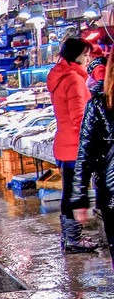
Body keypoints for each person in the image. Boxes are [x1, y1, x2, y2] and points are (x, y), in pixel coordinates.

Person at [47, 37, 96, 253]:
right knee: (75, 192)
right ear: (76, 56)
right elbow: (80, 118)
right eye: (86, 55)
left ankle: (69, 238)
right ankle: (73, 240)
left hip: (64, 144)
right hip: (74, 147)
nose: (88, 59)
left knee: (70, 191)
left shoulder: (62, 77)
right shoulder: (74, 80)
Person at [71, 49, 114, 263]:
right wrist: (79, 198)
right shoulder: (98, 104)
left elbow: (84, 155)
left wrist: (79, 198)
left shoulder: (98, 104)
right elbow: (85, 155)